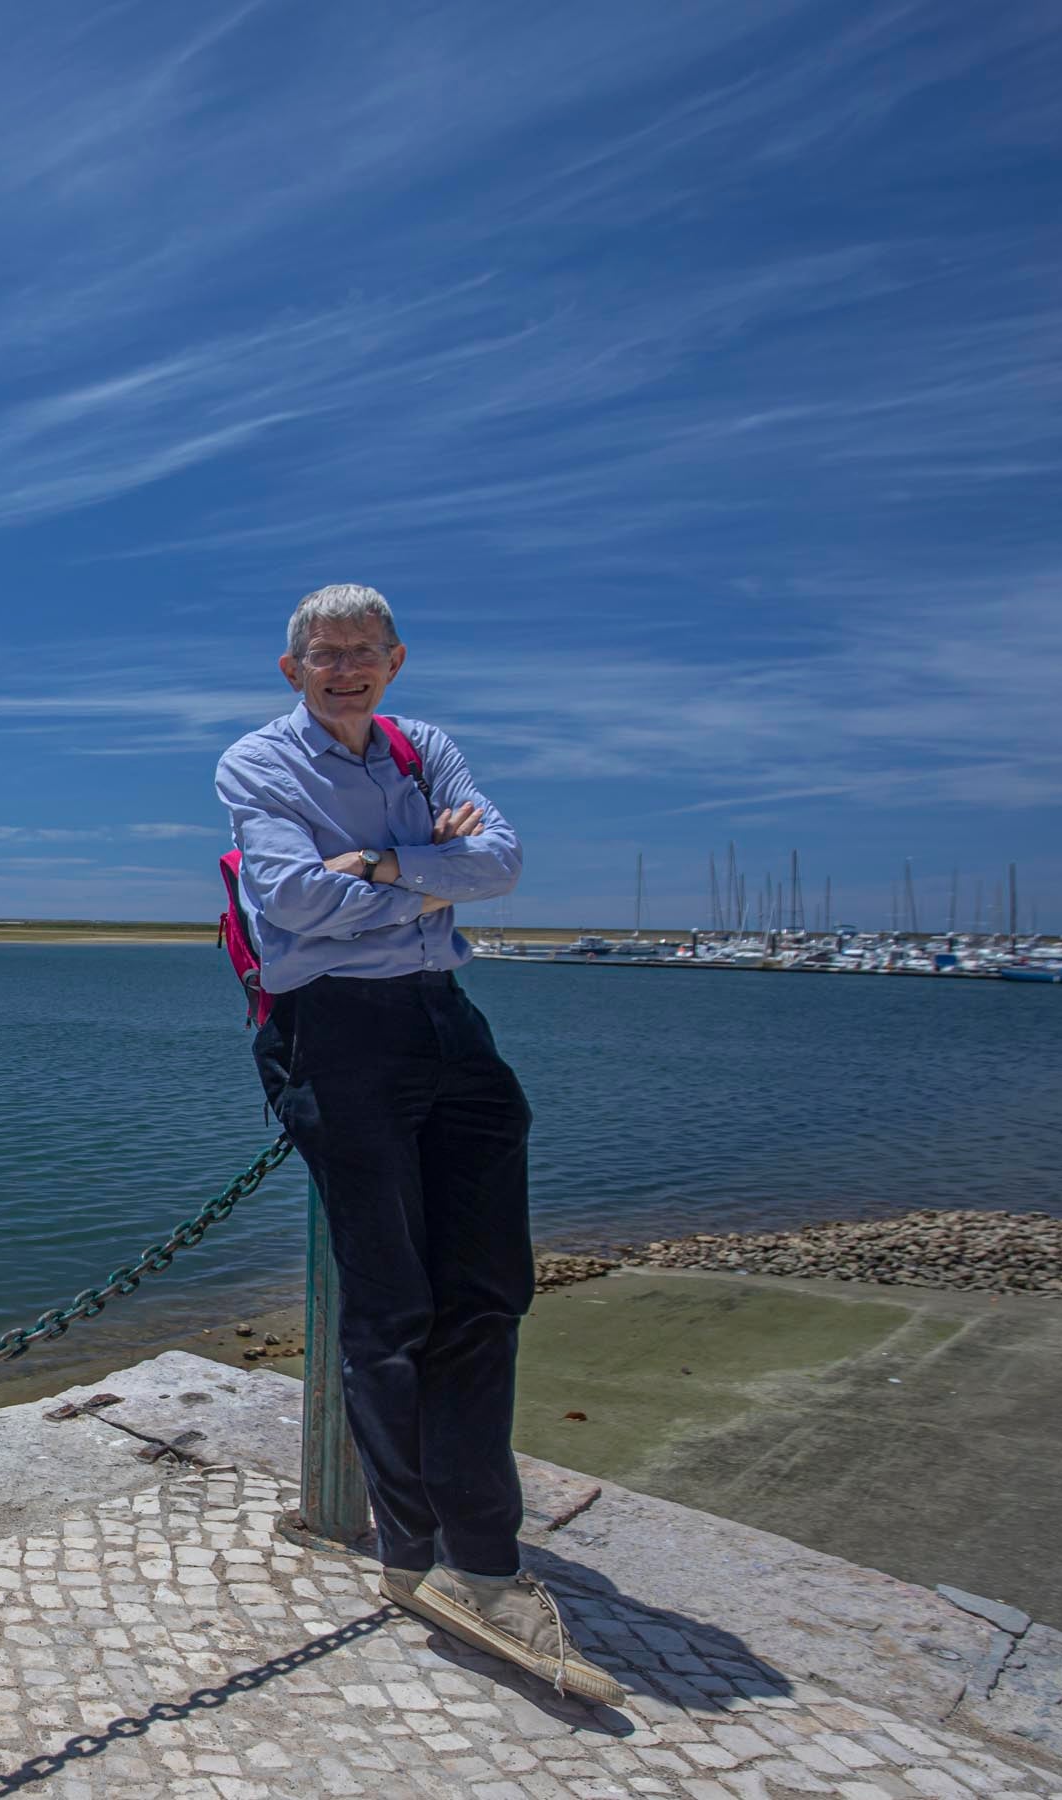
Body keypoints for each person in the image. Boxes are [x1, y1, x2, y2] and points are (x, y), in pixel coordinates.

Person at [215, 583, 622, 1706]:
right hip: (337, 1035)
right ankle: (420, 1556)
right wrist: (423, 871)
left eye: (363, 653)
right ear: (290, 667)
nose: (344, 669)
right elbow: (289, 904)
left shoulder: (424, 744)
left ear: (394, 662)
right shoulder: (257, 764)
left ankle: (484, 1553)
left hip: (450, 1023)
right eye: (323, 655)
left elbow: (502, 863)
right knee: (391, 1307)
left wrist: (381, 868)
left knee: (488, 1291)